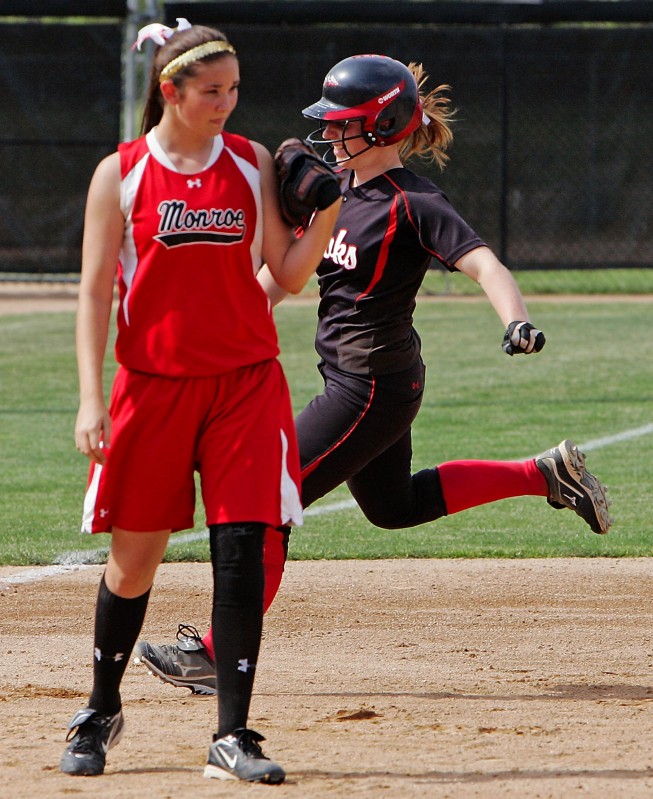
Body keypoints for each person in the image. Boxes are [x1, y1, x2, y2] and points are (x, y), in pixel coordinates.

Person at [132, 54, 612, 697]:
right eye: (329, 123)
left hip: (369, 388)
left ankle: (218, 656)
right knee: (394, 507)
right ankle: (543, 474)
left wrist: (516, 320)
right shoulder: (336, 192)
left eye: (343, 124)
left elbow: (484, 264)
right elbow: (282, 274)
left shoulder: (414, 202)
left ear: (384, 126)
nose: (330, 134)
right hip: (366, 382)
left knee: (266, 499)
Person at [58, 19, 341, 785]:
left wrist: (327, 211)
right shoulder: (121, 173)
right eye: (211, 90)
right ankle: (101, 707)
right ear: (171, 91)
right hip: (150, 387)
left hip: (244, 384)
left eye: (234, 89)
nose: (226, 103)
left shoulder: (250, 162)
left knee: (241, 552)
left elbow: (286, 274)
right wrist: (90, 399)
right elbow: (93, 293)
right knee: (132, 562)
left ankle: (231, 734)